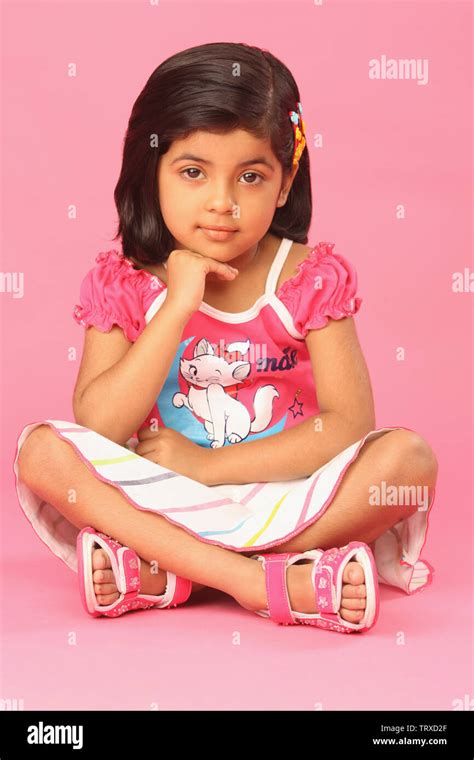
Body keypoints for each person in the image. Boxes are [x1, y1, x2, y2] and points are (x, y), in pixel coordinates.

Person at [13, 41, 438, 634]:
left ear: (285, 184)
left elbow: (348, 425)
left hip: (288, 498)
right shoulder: (126, 283)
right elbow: (99, 427)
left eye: (251, 176)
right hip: (162, 500)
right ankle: (258, 580)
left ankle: (176, 573)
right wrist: (179, 303)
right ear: (150, 170)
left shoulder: (307, 276)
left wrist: (209, 467)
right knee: (41, 451)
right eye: (193, 172)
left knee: (408, 461)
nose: (221, 203)